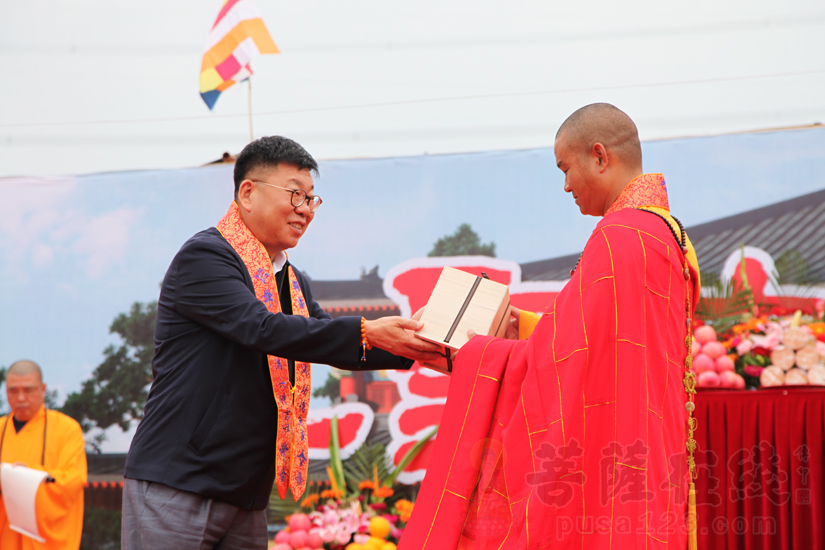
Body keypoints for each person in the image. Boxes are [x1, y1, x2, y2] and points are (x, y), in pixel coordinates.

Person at [401, 103, 702, 549]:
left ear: (599, 156)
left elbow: (568, 363)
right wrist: (521, 327)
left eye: (566, 168)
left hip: (612, 448)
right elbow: (599, 344)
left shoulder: (620, 237)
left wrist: (478, 354)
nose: (565, 186)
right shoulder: (665, 234)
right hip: (648, 443)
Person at [122, 136, 442, 550]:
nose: (305, 209)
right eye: (295, 194)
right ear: (248, 192)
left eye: (312, 199)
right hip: (179, 483)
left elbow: (324, 336)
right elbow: (262, 328)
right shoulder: (205, 258)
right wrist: (366, 328)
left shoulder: (292, 280)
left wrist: (422, 347)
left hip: (246, 492)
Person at [0, 360, 87, 550]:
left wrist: (28, 479)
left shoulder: (66, 429)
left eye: (29, 390)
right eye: (13, 391)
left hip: (45, 542)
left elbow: (73, 480)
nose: (21, 398)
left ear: (43, 389)